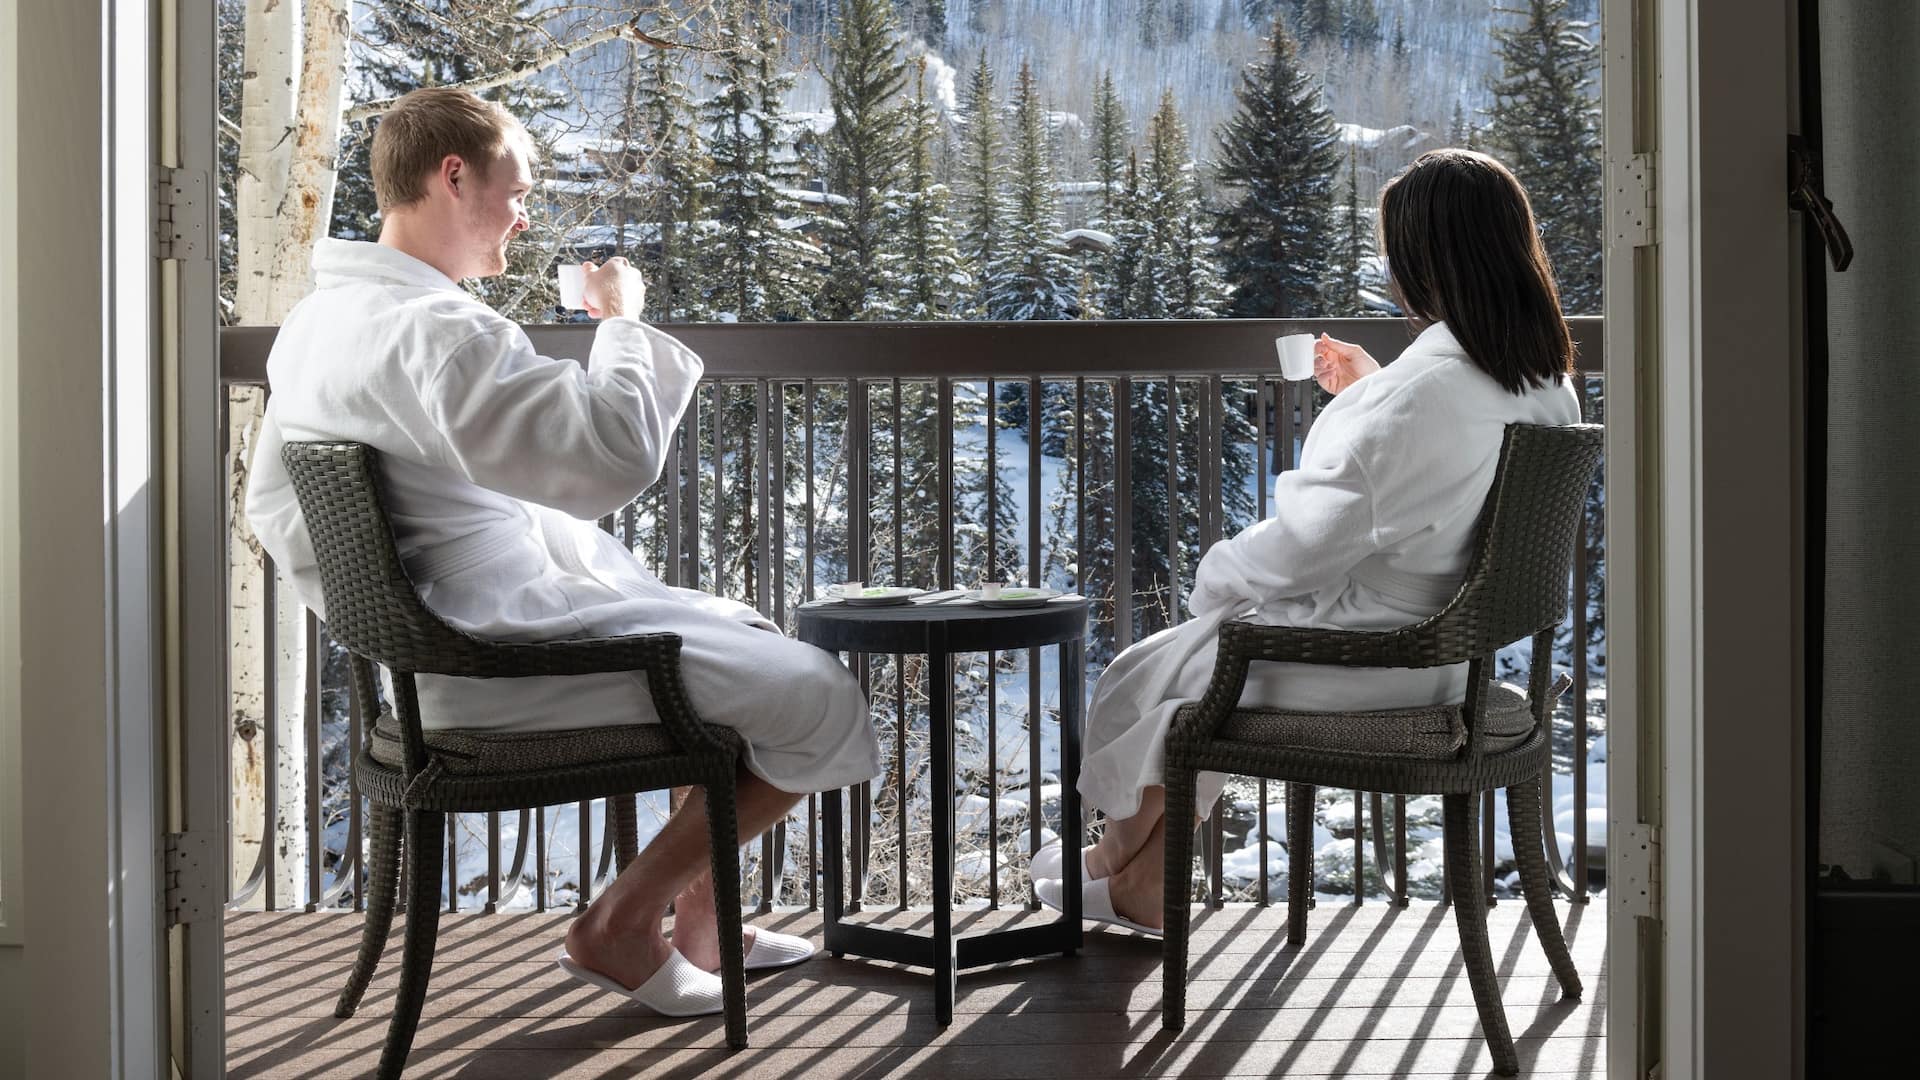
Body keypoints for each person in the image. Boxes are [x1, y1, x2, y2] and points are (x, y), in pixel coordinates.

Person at [244, 87, 882, 1015]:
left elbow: (273, 506)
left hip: (438, 656)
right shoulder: (434, 332)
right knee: (818, 697)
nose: (526, 215)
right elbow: (609, 455)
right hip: (495, 662)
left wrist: (389, 621)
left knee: (744, 642)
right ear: (453, 176)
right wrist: (620, 321)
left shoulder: (324, 320)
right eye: (518, 191)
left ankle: (704, 922)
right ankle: (621, 922)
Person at [1031, 148, 1585, 934]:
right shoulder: (1544, 387)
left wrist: (1216, 582)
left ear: (1423, 262)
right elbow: (1431, 469)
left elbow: (1301, 548)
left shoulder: (1416, 400)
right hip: (1453, 655)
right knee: (1182, 673)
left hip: (1376, 662)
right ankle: (1133, 875)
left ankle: (1120, 869)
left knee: (1162, 669)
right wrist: (1376, 390)